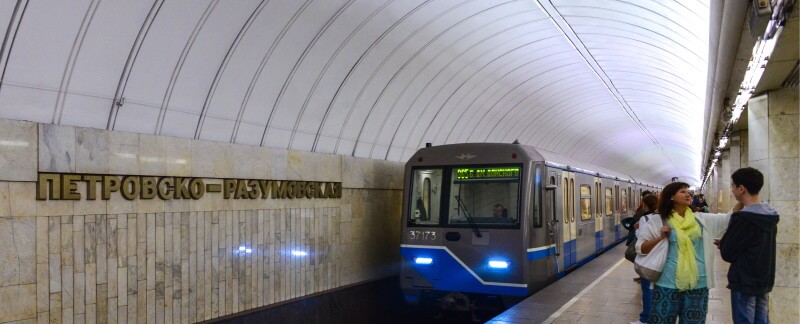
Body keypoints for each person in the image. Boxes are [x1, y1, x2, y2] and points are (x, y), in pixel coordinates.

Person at [636, 182, 730, 323]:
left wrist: (744, 199)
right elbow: (641, 248)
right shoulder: (657, 221)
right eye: (682, 191)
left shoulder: (701, 219)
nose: (687, 194)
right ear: (671, 197)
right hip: (667, 283)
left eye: (688, 192)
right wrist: (660, 238)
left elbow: (728, 219)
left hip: (698, 283)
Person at [719, 167, 779, 324]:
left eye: (733, 186)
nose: (732, 190)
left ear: (741, 189)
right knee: (762, 319)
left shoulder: (743, 218)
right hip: (764, 279)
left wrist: (724, 243)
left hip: (744, 280)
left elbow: (728, 253)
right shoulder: (771, 215)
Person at [627, 194, 658, 324]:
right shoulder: (660, 217)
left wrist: (636, 229)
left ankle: (645, 319)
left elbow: (641, 238)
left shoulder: (645, 219)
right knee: (654, 289)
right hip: (658, 258)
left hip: (647, 259)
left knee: (647, 289)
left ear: (644, 205)